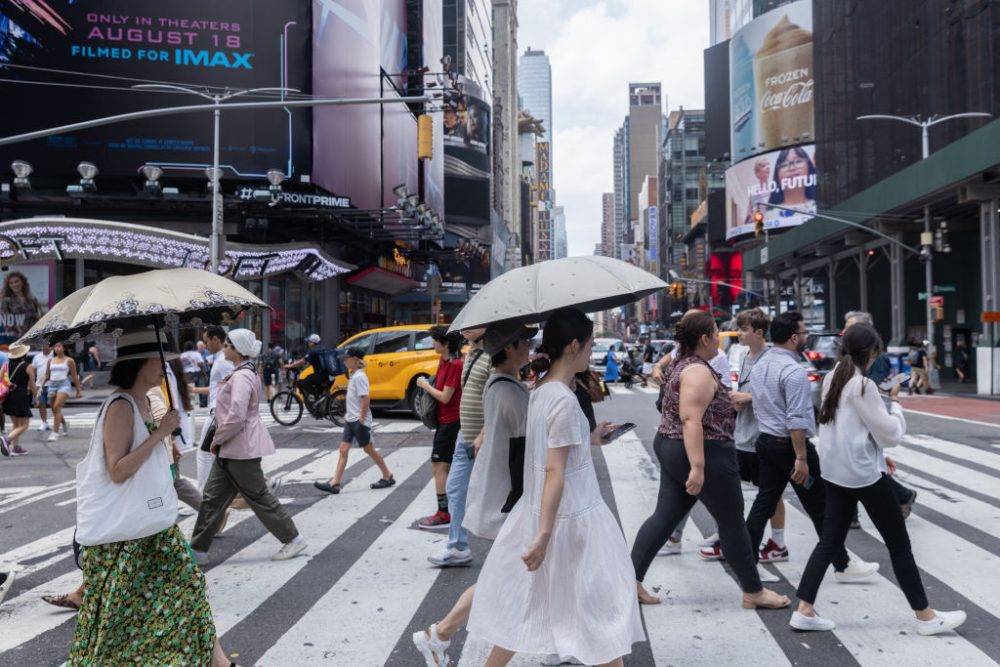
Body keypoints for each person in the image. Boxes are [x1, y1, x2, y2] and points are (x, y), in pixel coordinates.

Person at [466, 307, 643, 667]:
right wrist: (545, 534)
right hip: (572, 522)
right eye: (590, 346)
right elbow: (554, 471)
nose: (591, 353)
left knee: (525, 610)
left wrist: (591, 436)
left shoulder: (543, 390)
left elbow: (555, 454)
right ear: (574, 345)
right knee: (601, 618)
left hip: (546, 516)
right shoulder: (561, 398)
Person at [68, 329, 233, 666]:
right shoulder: (119, 406)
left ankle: (221, 663)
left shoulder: (143, 400)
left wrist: (163, 434)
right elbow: (117, 470)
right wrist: (160, 432)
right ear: (139, 362)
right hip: (124, 538)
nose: (165, 368)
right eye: (159, 360)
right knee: (117, 626)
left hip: (153, 527)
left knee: (189, 592)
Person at [790, 323, 967, 636]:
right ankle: (925, 616)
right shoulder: (863, 386)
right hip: (862, 476)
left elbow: (843, 427)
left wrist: (875, 452)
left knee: (829, 541)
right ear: (871, 353)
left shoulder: (834, 376)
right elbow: (891, 433)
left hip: (836, 472)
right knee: (899, 545)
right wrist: (896, 403)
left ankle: (804, 609)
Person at [631, 311, 788, 609]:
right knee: (732, 522)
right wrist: (699, 467)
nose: (719, 337)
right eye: (715, 332)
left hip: (673, 446)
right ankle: (754, 592)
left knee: (665, 516)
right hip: (704, 450)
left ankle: (630, 582)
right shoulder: (697, 372)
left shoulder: (682, 364)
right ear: (703, 338)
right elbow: (691, 419)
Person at [412, 322, 534, 666]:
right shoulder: (506, 390)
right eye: (524, 340)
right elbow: (530, 447)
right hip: (516, 501)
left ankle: (439, 635)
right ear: (508, 348)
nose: (529, 346)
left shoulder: (504, 383)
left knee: (508, 581)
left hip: (511, 499)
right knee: (514, 585)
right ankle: (439, 634)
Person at [743, 311, 879, 581]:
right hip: (790, 447)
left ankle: (746, 563)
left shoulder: (761, 364)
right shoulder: (794, 371)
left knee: (765, 503)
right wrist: (801, 457)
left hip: (767, 443)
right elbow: (794, 419)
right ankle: (842, 564)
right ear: (794, 338)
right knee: (820, 505)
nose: (807, 337)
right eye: (804, 333)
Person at [191, 329, 306, 561]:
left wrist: (217, 438)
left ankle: (293, 539)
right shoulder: (242, 372)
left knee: (259, 496)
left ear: (237, 349)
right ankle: (197, 549)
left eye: (227, 345)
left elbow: (236, 415)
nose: (223, 349)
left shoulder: (242, 376)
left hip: (239, 447)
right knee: (212, 498)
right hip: (231, 447)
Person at [699, 309, 788, 564]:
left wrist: (747, 398)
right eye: (739, 328)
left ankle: (778, 543)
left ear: (759, 333)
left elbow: (778, 395)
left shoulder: (772, 358)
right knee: (727, 488)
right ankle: (728, 535)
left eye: (744, 329)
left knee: (770, 493)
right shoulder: (743, 355)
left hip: (764, 436)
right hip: (742, 434)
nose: (739, 333)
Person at [843, 311, 918, 521]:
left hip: (871, 417)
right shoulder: (847, 362)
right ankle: (898, 498)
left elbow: (871, 388)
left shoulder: (875, 361)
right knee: (863, 465)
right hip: (858, 421)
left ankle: (896, 500)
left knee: (866, 466)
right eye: (846, 327)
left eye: (851, 327)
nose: (846, 332)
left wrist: (893, 399)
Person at [429, 326, 491, 567]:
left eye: (473, 325)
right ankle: (458, 545)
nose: (466, 328)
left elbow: (497, 397)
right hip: (465, 435)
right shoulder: (472, 354)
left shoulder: (490, 357)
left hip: (480, 438)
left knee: (495, 495)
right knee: (455, 489)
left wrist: (483, 435)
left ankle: (462, 545)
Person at [314, 347, 395, 494]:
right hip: (351, 420)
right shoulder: (354, 375)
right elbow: (355, 399)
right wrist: (349, 414)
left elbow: (365, 398)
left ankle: (387, 475)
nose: (344, 360)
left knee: (368, 449)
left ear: (356, 359)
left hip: (359, 421)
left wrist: (362, 418)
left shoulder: (360, 377)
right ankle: (335, 483)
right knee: (343, 449)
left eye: (347, 358)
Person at [415, 326, 464, 529]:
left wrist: (425, 385)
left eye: (435, 340)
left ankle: (443, 512)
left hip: (452, 422)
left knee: (440, 466)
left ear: (445, 344)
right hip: (445, 421)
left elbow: (445, 396)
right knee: (444, 466)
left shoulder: (455, 365)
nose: (432, 344)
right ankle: (449, 509)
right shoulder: (443, 361)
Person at [190, 326, 235, 491]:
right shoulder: (220, 358)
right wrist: (195, 390)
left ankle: (201, 499)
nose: (205, 344)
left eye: (207, 340)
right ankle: (262, 484)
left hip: (217, 414)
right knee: (227, 455)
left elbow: (232, 388)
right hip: (220, 413)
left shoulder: (223, 361)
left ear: (216, 339)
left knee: (204, 455)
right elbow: (218, 388)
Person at [44, 342, 83, 443]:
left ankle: (55, 433)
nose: (56, 348)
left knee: (57, 407)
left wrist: (78, 390)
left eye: (59, 346)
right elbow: (47, 375)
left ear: (64, 348)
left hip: (64, 385)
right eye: (55, 346)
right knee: (54, 410)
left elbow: (74, 376)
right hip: (52, 385)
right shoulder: (50, 360)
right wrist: (40, 388)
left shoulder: (69, 360)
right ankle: (65, 424)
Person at [1, 344, 33, 456]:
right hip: (21, 396)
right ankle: (7, 440)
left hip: (8, 397)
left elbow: (0, 380)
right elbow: (32, 384)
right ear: (24, 354)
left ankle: (16, 447)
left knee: (16, 423)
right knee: (24, 425)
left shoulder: (6, 365)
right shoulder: (28, 366)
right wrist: (36, 396)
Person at [768, 146, 817, 212]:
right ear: (777, 176)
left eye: (798, 161)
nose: (792, 168)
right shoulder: (770, 215)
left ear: (809, 168)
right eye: (784, 165)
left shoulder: (822, 207)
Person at [1, 271, 43, 341]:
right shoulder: (6, 301)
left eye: (16, 281)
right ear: (9, 286)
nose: (14, 284)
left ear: (22, 282)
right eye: (11, 283)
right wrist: (20, 337)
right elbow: (6, 324)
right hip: (16, 340)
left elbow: (39, 319)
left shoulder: (32, 299)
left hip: (33, 338)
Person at [29, 343, 53, 432]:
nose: (44, 348)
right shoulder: (37, 357)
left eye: (46, 346)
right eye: (43, 346)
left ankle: (61, 421)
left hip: (52, 384)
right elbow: (33, 371)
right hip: (39, 384)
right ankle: (44, 422)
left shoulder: (54, 355)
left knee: (54, 406)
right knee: (41, 405)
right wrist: (31, 385)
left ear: (50, 347)